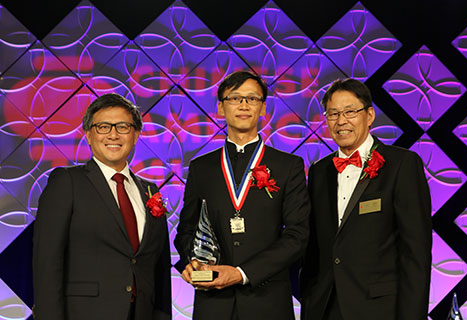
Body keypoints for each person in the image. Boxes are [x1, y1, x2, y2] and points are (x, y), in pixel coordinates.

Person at [174, 71, 310, 319]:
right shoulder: (201, 167)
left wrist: (241, 273)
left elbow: (297, 236)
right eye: (235, 98)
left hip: (268, 301)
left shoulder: (287, 166)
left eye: (252, 98)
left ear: (263, 108)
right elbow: (186, 229)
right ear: (220, 107)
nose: (244, 105)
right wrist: (189, 262)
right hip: (212, 303)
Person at [300, 78, 432, 320]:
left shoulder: (401, 164)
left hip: (379, 308)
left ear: (369, 115)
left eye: (350, 112)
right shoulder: (319, 172)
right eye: (333, 114)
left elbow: (416, 253)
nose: (341, 121)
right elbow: (313, 250)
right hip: (326, 307)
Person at [32, 93, 171, 320]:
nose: (113, 134)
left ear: (135, 135)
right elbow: (47, 262)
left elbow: (160, 267)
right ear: (88, 135)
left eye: (123, 127)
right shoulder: (67, 182)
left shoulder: (150, 190)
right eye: (103, 127)